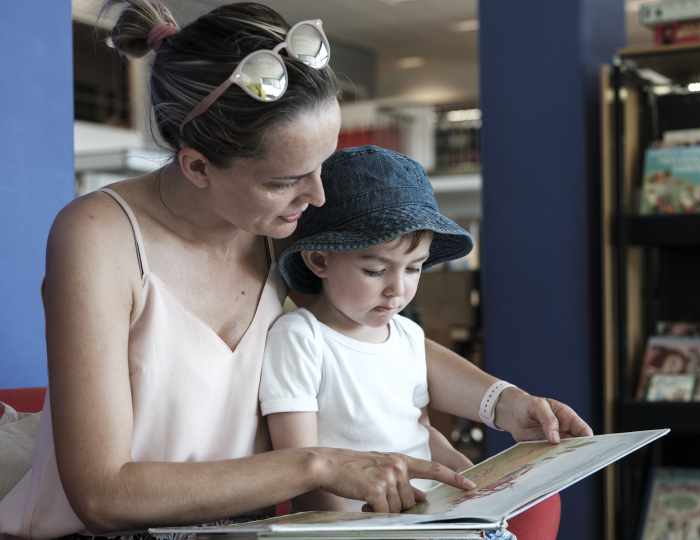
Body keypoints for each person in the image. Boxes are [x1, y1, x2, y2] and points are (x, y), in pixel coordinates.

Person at [0, 2, 591, 539]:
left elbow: (380, 332)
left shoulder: (281, 223)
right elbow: (101, 496)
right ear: (198, 166)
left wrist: (502, 401)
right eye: (286, 179)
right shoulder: (97, 236)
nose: (318, 196)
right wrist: (317, 463)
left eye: (322, 165)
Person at [261, 146, 482, 514]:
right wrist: (348, 529)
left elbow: (419, 429)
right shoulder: (300, 339)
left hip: (431, 515)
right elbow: (298, 464)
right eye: (376, 270)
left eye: (414, 269)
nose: (398, 289)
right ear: (320, 260)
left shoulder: (408, 335)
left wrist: (465, 471)